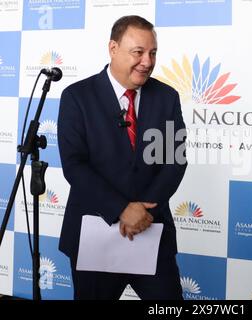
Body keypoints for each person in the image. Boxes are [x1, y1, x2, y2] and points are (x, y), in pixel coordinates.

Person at [57, 15, 187, 300]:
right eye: (138, 52)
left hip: (152, 232)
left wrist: (142, 211)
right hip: (95, 237)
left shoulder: (167, 97)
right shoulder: (77, 97)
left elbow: (174, 160)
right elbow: (74, 165)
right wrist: (120, 208)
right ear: (113, 48)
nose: (147, 61)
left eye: (153, 52)